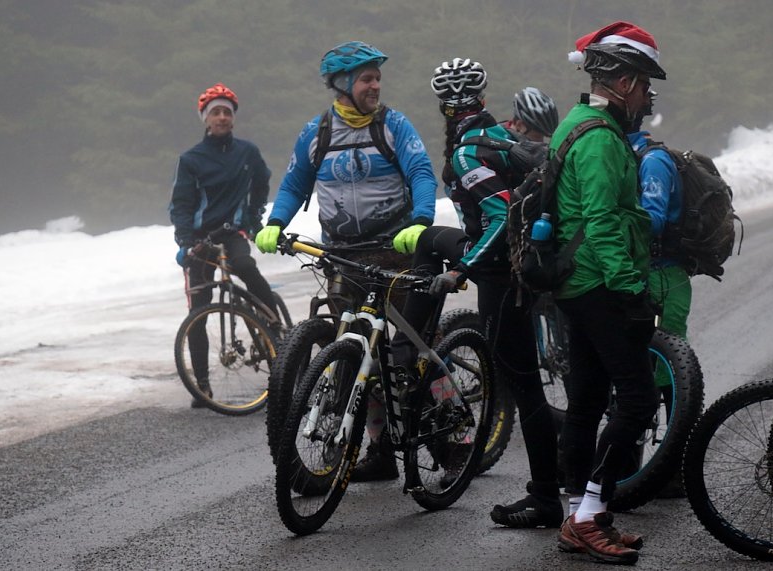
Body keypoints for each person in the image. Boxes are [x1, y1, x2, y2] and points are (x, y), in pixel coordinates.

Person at [388, 57, 564, 527]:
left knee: (523, 385)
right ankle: (411, 345)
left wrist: (462, 268)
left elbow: (501, 217)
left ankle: (547, 496)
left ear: (443, 107)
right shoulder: (506, 135)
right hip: (524, 264)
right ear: (484, 99)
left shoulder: (468, 153)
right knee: (429, 238)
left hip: (502, 273)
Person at [255, 41, 438, 481]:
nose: (375, 85)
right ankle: (378, 451)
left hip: (396, 251)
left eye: (377, 78)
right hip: (342, 256)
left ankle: (454, 441)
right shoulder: (316, 132)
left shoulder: (393, 125)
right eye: (366, 79)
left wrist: (421, 220)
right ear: (342, 85)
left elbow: (422, 174)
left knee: (409, 352)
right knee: (358, 348)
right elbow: (295, 183)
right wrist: (275, 221)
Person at [550, 21, 666, 564]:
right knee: (637, 399)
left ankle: (580, 515)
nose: (648, 96)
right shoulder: (597, 137)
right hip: (598, 282)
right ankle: (591, 512)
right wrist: (630, 290)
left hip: (579, 283)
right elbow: (600, 220)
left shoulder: (580, 123)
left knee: (589, 401)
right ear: (621, 81)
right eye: (644, 84)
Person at [169, 82, 278, 408]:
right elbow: (181, 205)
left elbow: (262, 182)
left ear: (233, 118)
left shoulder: (248, 152)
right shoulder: (190, 159)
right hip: (201, 239)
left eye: (226, 112)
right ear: (205, 118)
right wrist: (186, 241)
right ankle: (202, 387)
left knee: (245, 265)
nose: (221, 117)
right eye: (215, 112)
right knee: (199, 310)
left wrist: (254, 217)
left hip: (233, 233)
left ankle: (273, 323)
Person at [627, 90, 690, 499]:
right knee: (638, 367)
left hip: (665, 275)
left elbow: (652, 217)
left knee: (669, 372)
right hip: (644, 272)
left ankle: (671, 468)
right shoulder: (628, 154)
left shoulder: (652, 160)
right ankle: (634, 465)